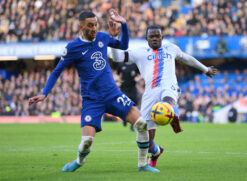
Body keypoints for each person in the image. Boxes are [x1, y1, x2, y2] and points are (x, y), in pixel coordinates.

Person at [28, 10, 159, 173]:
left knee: (141, 124)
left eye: (96, 24)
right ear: (80, 27)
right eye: (90, 25)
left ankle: (142, 165)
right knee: (87, 142)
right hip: (92, 100)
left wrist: (124, 25)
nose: (94, 28)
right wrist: (44, 93)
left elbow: (123, 46)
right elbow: (56, 71)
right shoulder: (73, 47)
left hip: (113, 94)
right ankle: (79, 161)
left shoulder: (103, 37)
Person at [111, 25, 217, 168]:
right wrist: (114, 38)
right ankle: (156, 151)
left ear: (162, 37)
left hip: (169, 87)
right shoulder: (140, 52)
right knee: (145, 137)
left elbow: (187, 59)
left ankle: (173, 112)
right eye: (152, 36)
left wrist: (205, 69)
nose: (155, 38)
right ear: (146, 38)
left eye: (157, 36)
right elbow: (117, 57)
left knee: (168, 100)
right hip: (150, 93)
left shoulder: (171, 48)